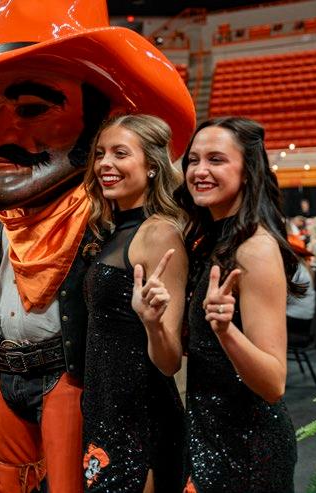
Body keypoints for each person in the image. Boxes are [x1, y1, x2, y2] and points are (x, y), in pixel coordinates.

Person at [0, 1, 195, 490]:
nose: (0, 134)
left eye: (33, 108)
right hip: (3, 374)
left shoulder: (111, 219)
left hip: (72, 377)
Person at [176, 117, 300, 492]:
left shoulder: (254, 249)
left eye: (216, 159)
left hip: (247, 448)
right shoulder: (210, 240)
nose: (199, 171)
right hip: (209, 436)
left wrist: (226, 331)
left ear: (247, 172)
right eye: (193, 160)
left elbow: (273, 383)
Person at [81, 115, 187, 492]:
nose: (105, 163)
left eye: (120, 153)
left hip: (141, 419)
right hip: (105, 408)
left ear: (152, 165)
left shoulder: (160, 234)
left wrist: (154, 323)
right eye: (100, 154)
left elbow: (170, 361)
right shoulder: (113, 230)